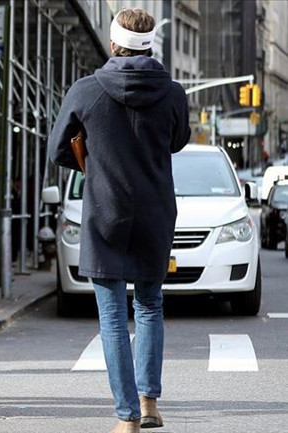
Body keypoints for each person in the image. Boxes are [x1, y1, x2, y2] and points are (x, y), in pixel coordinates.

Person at [49, 8, 190, 433]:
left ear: (113, 44)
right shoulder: (173, 92)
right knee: (150, 306)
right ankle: (149, 405)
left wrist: (95, 159)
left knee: (112, 316)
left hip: (104, 212)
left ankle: (125, 419)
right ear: (151, 46)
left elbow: (58, 150)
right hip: (155, 213)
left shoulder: (87, 91)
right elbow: (178, 140)